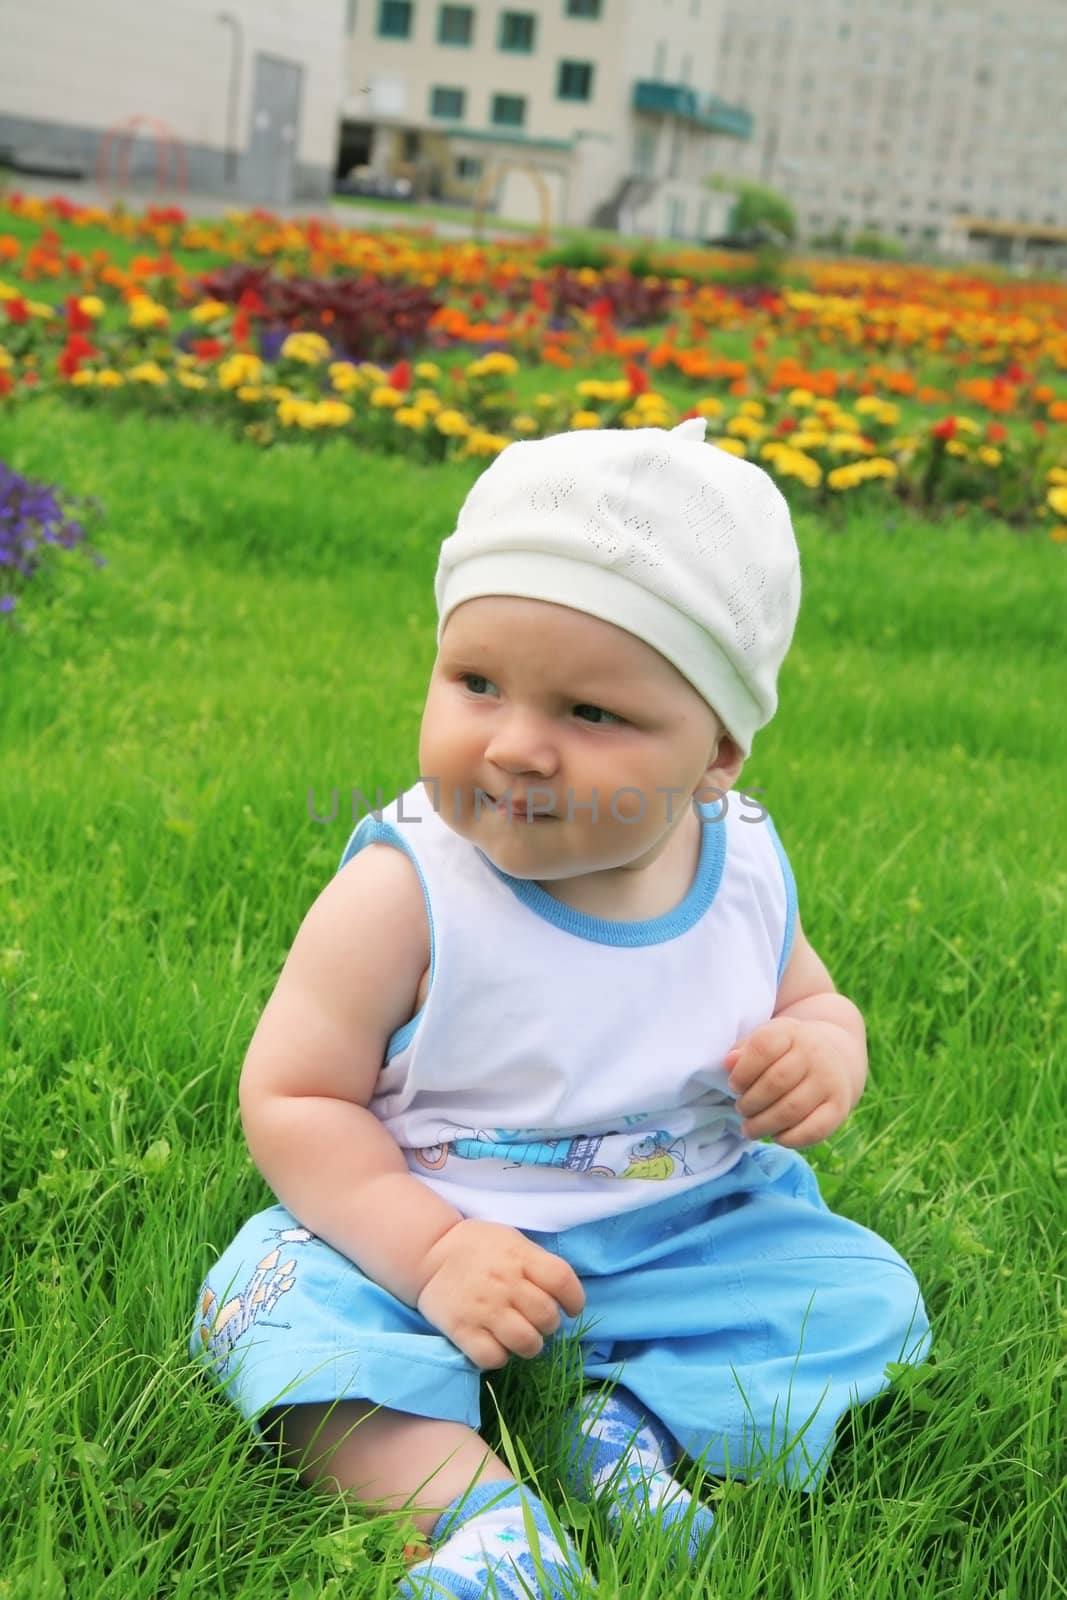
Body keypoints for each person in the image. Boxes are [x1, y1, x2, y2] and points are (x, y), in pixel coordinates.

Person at [191, 418, 930, 1598]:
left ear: (717, 752)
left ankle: (635, 1433)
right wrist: (431, 1254)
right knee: (272, 1307)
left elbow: (812, 995)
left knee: (862, 1292)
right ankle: (474, 1519)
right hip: (424, 1214)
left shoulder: (739, 867)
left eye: (591, 715)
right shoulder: (405, 890)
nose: (518, 746)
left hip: (678, 1223)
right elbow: (293, 1094)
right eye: (476, 682)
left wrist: (823, 1052)